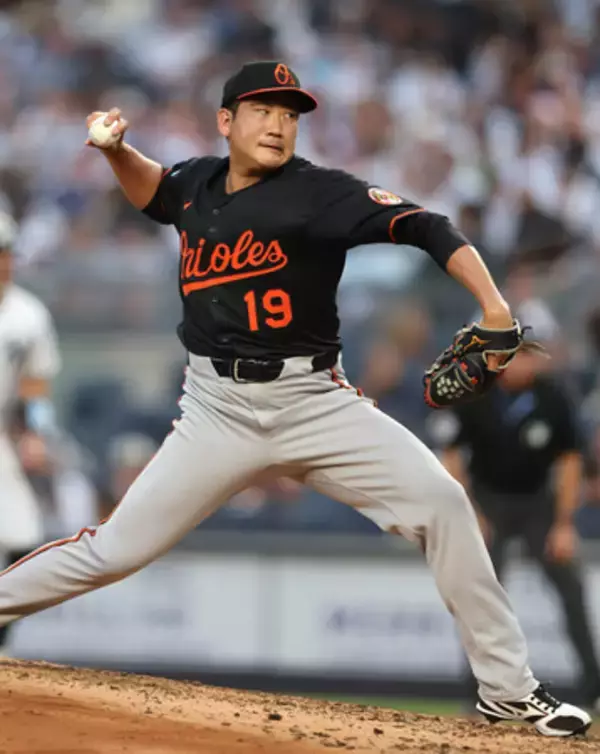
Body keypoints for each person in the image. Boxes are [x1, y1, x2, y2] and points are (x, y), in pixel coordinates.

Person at [0, 61, 591, 737]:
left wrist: (494, 305)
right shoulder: (196, 183)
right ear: (227, 122)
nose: (278, 125)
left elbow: (429, 226)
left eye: (289, 114)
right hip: (216, 410)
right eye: (263, 110)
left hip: (314, 402)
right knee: (113, 551)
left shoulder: (321, 193)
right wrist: (116, 152)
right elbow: (155, 191)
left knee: (443, 504)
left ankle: (509, 692)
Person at [435, 343, 600, 712]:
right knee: (478, 595)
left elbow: (570, 460)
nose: (527, 364)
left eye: (530, 356)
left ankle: (594, 689)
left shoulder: (552, 396)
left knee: (571, 589)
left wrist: (564, 524)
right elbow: (452, 454)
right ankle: (478, 693)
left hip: (537, 503)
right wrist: (469, 512)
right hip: (487, 501)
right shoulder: (477, 393)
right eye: (520, 355)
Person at [0, 211, 61, 654]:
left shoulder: (27, 314)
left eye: (5, 252)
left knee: (23, 538)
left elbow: (34, 385)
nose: (3, 262)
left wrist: (36, 432)